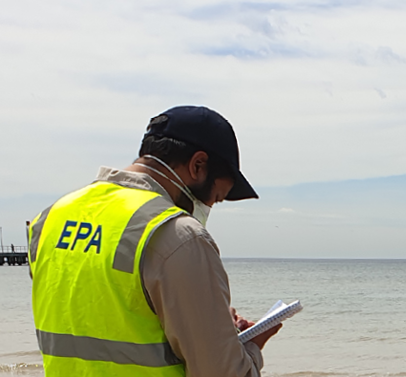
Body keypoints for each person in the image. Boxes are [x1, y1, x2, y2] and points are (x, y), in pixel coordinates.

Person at [26, 106, 281, 376]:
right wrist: (250, 348)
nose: (209, 208)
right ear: (198, 165)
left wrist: (208, 323)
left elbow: (102, 316)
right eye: (216, 198)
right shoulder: (178, 236)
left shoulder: (49, 219)